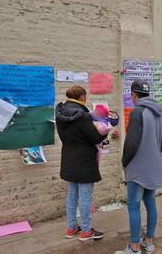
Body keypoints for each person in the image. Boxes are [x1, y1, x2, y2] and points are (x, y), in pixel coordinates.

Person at [117, 80, 162, 254]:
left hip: (137, 168)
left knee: (133, 206)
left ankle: (134, 247)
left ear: (133, 95)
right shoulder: (161, 112)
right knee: (151, 202)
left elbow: (131, 143)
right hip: (153, 166)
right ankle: (149, 241)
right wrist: (153, 153)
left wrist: (125, 162)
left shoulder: (137, 112)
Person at [56, 86, 108, 241]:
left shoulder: (60, 113)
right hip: (84, 161)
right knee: (85, 197)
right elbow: (94, 138)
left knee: (72, 195)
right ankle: (86, 230)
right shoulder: (83, 116)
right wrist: (105, 131)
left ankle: (71, 228)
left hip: (69, 159)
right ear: (83, 97)